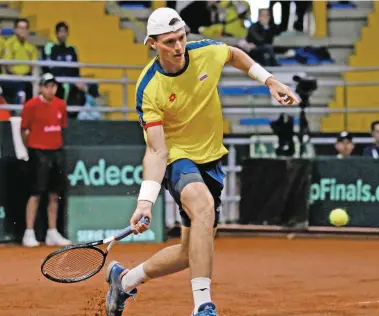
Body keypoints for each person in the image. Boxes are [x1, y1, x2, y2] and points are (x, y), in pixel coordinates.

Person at [104, 7, 298, 316]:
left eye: (181, 38)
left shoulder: (206, 52)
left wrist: (269, 81)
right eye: (169, 42)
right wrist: (145, 202)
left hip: (212, 159)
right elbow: (156, 151)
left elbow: (234, 55)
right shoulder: (148, 88)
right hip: (177, 158)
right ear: (152, 44)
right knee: (203, 205)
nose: (178, 47)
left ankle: (123, 280)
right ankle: (203, 306)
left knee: (189, 252)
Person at [20, 73, 71, 247]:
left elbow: (61, 127)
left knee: (54, 194)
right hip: (38, 152)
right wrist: (30, 149)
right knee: (35, 193)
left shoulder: (61, 105)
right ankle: (29, 232)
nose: (51, 89)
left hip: (57, 151)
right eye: (47, 86)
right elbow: (24, 130)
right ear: (41, 87)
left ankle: (52, 232)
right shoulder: (31, 105)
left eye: (53, 86)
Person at [3, 18, 37, 104]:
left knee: (31, 85)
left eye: (25, 28)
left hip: (26, 77)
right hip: (11, 77)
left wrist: (25, 76)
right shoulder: (9, 44)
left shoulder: (31, 47)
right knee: (20, 86)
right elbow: (8, 66)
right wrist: (19, 76)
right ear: (15, 30)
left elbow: (32, 67)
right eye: (20, 28)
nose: (22, 31)